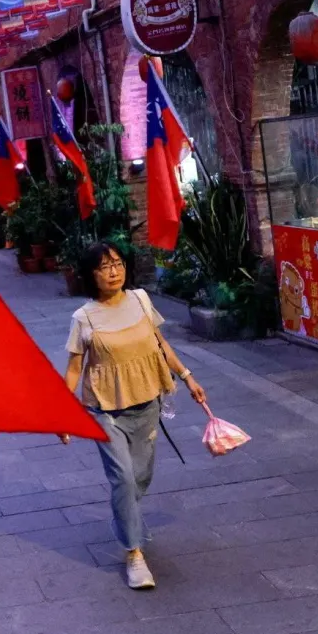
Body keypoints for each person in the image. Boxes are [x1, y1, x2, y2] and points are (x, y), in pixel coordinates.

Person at [59, 242, 206, 590]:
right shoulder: (84, 317)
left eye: (118, 263)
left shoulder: (141, 299)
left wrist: (188, 377)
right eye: (104, 266)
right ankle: (134, 554)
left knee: (140, 477)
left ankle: (125, 518)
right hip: (104, 410)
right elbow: (74, 369)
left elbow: (160, 344)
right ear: (90, 275)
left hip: (147, 404)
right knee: (123, 478)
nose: (114, 270)